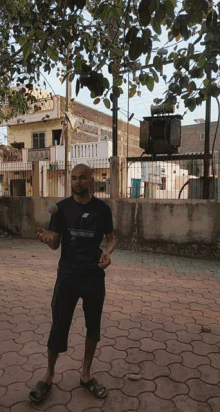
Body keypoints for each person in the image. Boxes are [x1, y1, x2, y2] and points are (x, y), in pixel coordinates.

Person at [29, 163, 116, 403]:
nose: (77, 182)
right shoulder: (62, 209)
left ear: (92, 181)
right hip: (67, 276)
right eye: (74, 178)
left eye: (83, 178)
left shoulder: (102, 209)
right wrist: (46, 238)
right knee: (59, 325)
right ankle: (48, 376)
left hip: (94, 277)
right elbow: (55, 243)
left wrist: (108, 253)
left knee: (93, 327)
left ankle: (86, 375)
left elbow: (111, 239)